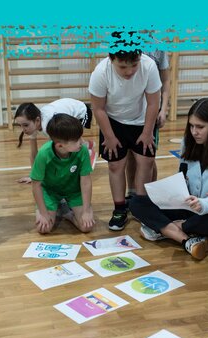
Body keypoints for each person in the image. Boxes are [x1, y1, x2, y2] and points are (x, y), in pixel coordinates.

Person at [129, 98, 208, 260]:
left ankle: (167, 229)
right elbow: (182, 178)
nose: (194, 132)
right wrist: (169, 194)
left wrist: (202, 204)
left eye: (200, 127)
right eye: (191, 126)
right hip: (187, 205)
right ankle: (187, 239)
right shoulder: (188, 142)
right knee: (136, 202)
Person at [88, 46, 161, 231]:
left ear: (140, 57)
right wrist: (109, 136)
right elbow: (98, 108)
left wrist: (147, 132)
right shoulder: (100, 73)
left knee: (146, 162)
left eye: (134, 65)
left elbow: (153, 103)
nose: (129, 71)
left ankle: (142, 207)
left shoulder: (149, 66)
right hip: (113, 121)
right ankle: (120, 209)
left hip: (142, 120)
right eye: (122, 67)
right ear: (111, 58)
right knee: (115, 165)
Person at [30, 114, 94, 234]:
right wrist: (43, 214)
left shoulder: (82, 150)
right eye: (77, 140)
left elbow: (86, 181)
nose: (82, 141)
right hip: (50, 192)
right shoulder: (44, 154)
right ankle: (56, 206)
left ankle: (66, 212)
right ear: (60, 145)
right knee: (44, 228)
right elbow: (36, 184)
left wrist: (86, 211)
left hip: (74, 192)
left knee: (86, 227)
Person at [125, 49, 171, 199]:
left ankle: (150, 194)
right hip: (129, 112)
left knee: (148, 157)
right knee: (130, 155)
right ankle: (132, 192)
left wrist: (163, 109)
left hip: (150, 112)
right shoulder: (125, 42)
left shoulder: (158, 47)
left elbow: (165, 80)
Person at [13, 98, 93, 183]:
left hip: (82, 112)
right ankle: (86, 145)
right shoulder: (33, 124)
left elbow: (56, 151)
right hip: (67, 113)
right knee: (66, 143)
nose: (23, 129)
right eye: (20, 125)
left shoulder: (48, 124)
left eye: (25, 125)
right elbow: (34, 154)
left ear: (37, 120)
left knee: (67, 143)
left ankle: (87, 150)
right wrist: (34, 176)